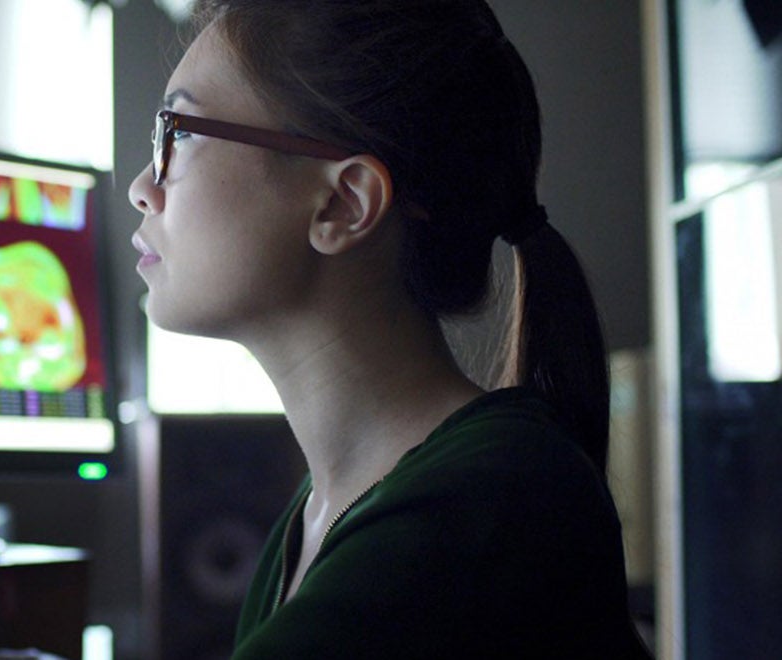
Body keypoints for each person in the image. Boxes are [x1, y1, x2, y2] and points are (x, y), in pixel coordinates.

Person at [126, 0, 654, 657]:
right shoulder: (315, 514)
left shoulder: (484, 500)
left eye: (178, 133)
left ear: (343, 203)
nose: (143, 187)